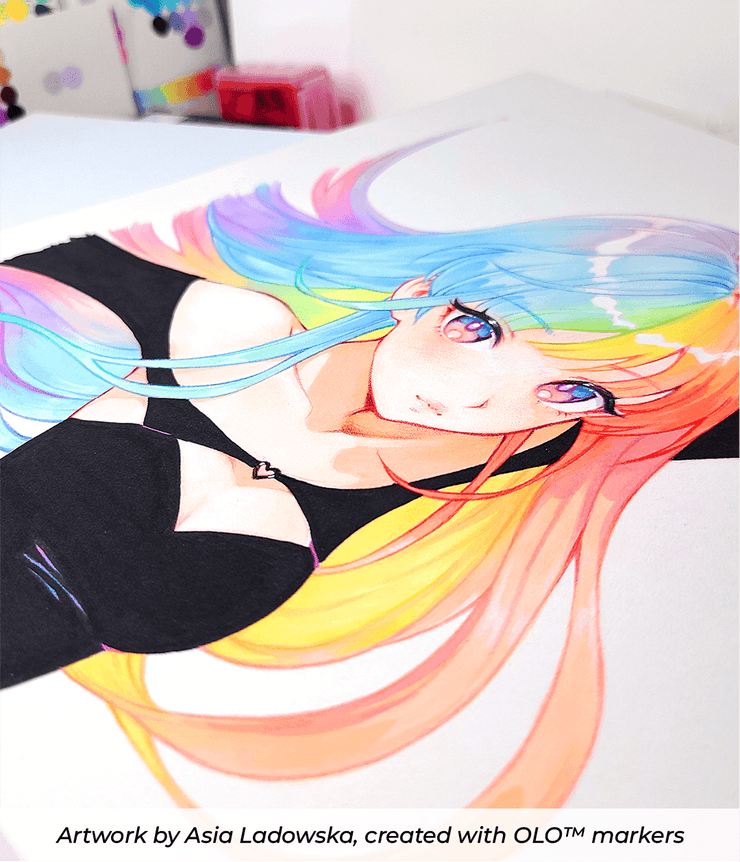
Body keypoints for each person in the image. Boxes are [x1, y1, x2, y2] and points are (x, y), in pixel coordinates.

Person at [0, 143, 737, 809]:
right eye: (479, 328)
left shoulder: (530, 443)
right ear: (416, 291)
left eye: (574, 387)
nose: (471, 399)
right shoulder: (171, 318)